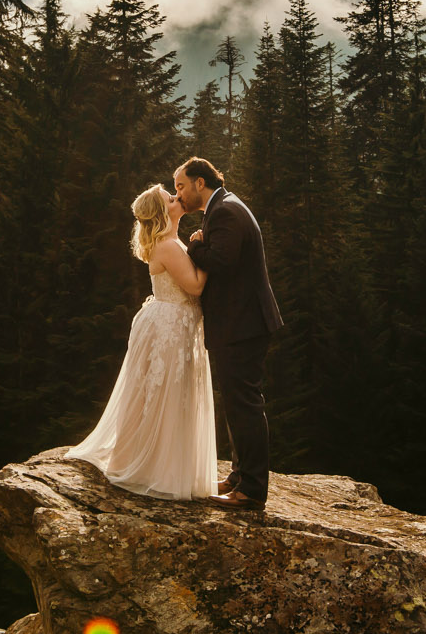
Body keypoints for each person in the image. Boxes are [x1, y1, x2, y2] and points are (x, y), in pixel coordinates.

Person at [66, 185, 218, 499]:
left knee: (162, 393)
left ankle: (160, 463)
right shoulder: (169, 246)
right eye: (170, 199)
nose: (177, 198)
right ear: (163, 213)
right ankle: (154, 467)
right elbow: (195, 287)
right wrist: (203, 252)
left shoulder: (169, 243)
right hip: (171, 324)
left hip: (170, 322)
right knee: (163, 394)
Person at [172, 156, 283, 512]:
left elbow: (221, 261)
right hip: (240, 323)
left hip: (243, 324)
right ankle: (239, 476)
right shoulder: (222, 207)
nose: (180, 193)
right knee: (238, 403)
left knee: (245, 404)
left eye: (181, 186)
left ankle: (251, 490)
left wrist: (194, 245)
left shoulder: (225, 212)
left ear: (199, 183)